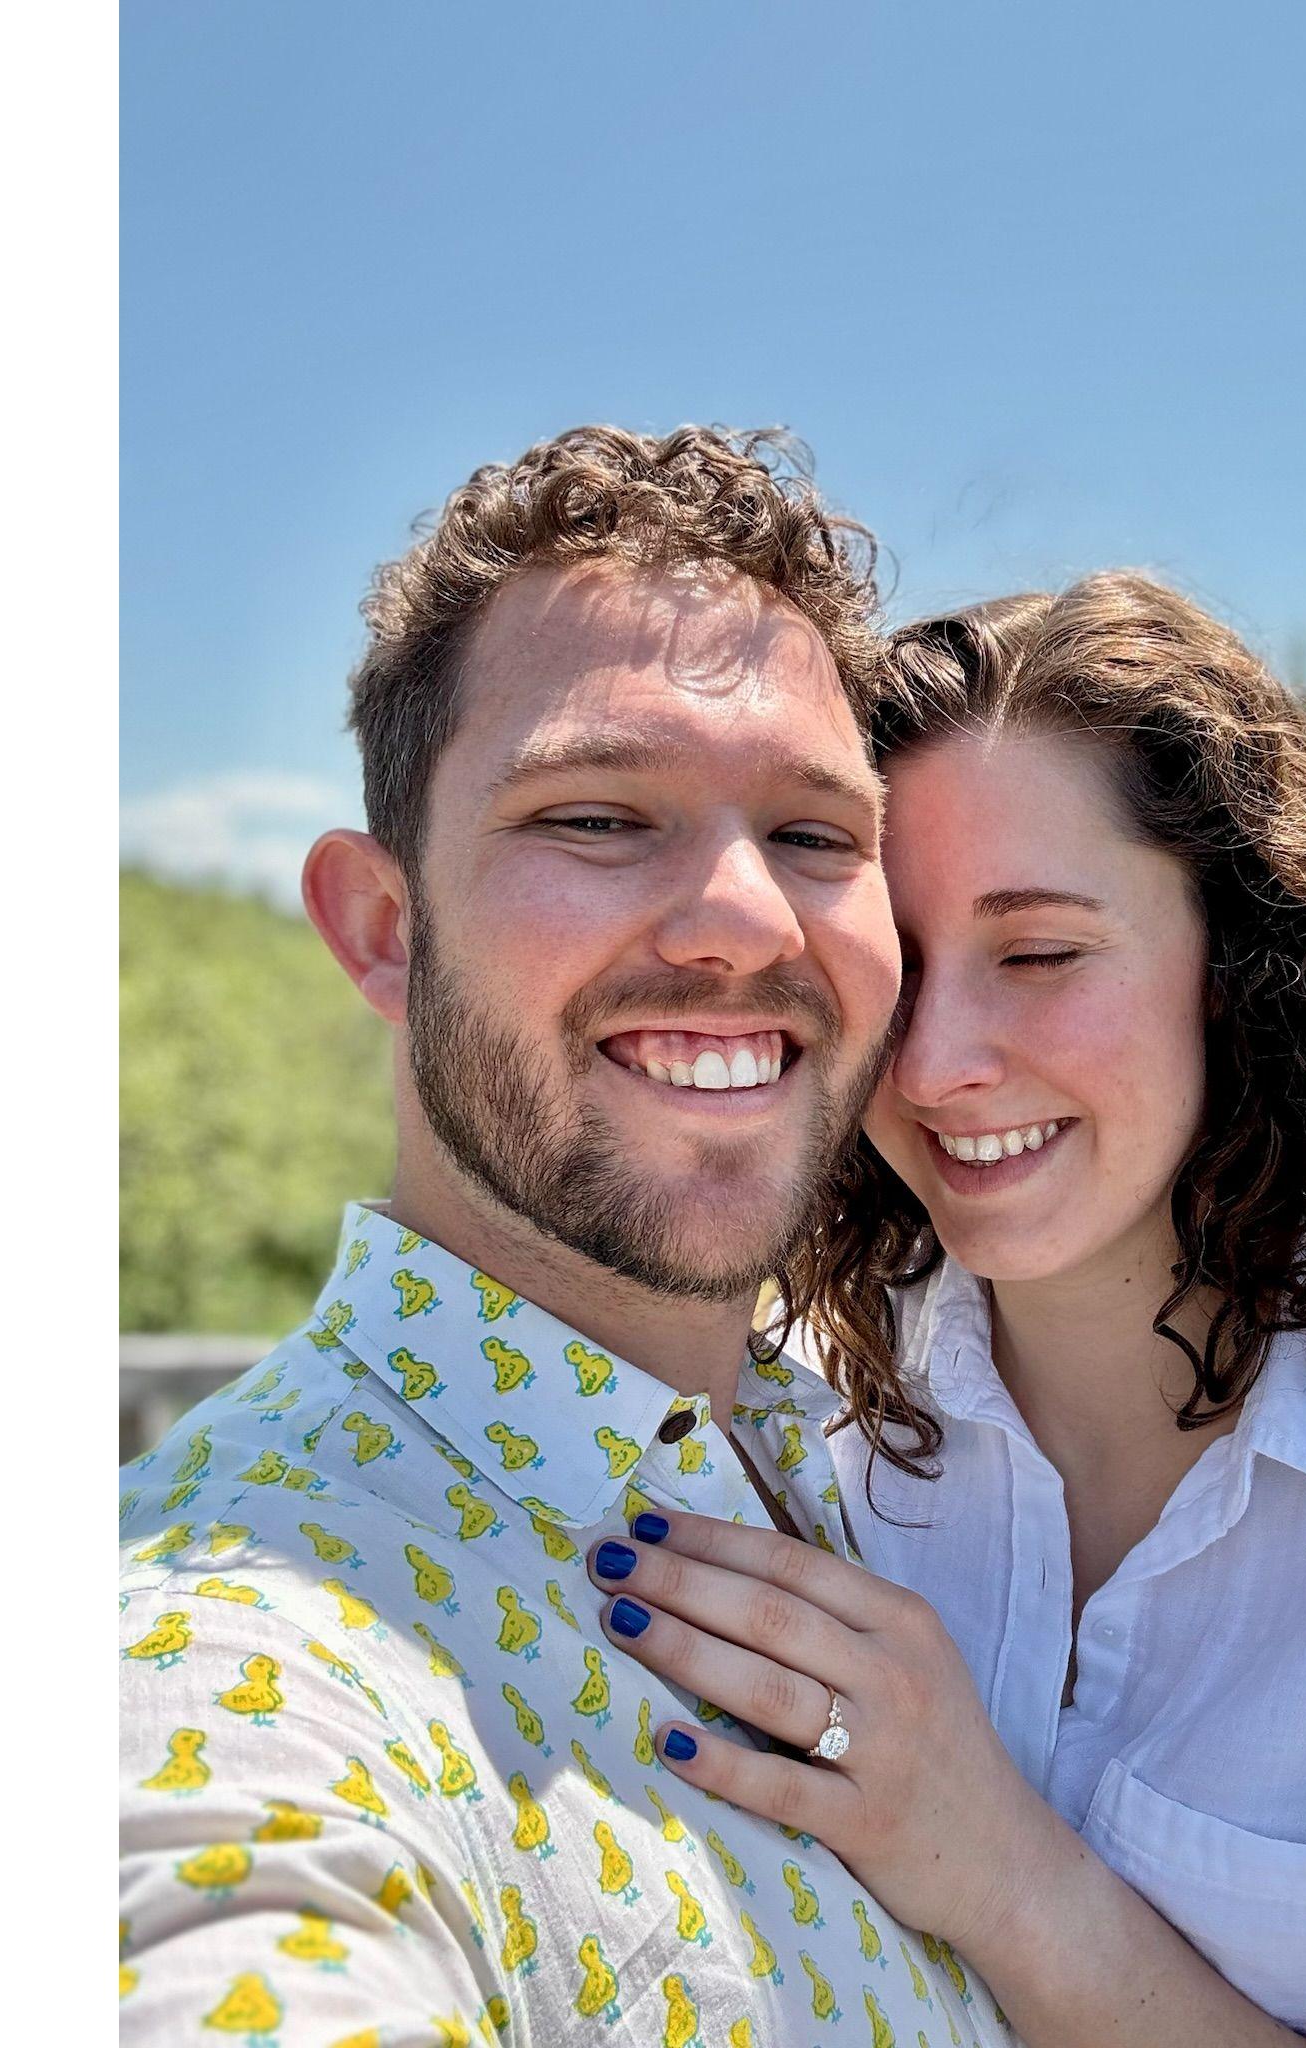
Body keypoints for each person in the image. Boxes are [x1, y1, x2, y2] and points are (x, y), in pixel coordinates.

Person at [576, 574, 1306, 2046]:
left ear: (1237, 967)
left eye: (1039, 955)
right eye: (899, 967)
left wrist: (1003, 1872)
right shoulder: (778, 1413)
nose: (940, 1062)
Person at [116, 424, 1018, 2047]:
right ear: (386, 930)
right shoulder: (223, 1650)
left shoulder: (927, 1451)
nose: (748, 918)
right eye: (598, 817)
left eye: (817, 837)